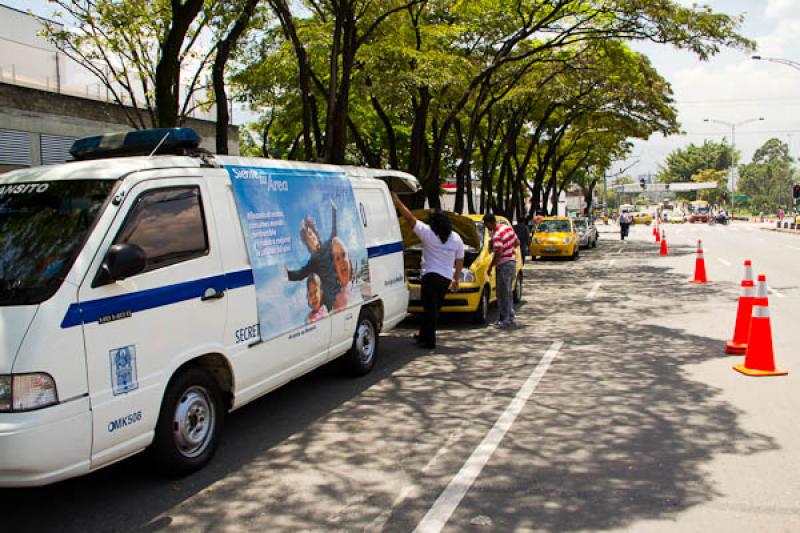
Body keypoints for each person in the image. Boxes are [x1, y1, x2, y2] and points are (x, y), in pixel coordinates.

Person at [391, 192, 464, 349]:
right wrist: (456, 279)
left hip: (430, 277)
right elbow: (460, 260)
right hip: (445, 278)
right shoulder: (456, 238)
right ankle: (423, 335)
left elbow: (410, 219)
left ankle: (429, 341)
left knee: (429, 309)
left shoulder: (428, 233)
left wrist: (397, 202)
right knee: (434, 309)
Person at [288, 201, 339, 311]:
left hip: (339, 290)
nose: (311, 238)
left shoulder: (327, 246)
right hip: (329, 301)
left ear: (316, 234)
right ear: (307, 243)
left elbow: (334, 233)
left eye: (311, 234)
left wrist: (334, 211)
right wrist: (287, 274)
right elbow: (300, 274)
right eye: (308, 238)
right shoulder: (313, 262)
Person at [484, 213, 520, 328]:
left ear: (490, 223)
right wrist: (509, 250)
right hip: (512, 262)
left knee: (502, 293)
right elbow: (517, 243)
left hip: (503, 265)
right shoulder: (507, 228)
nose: (487, 228)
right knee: (508, 292)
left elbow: (498, 253)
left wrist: (490, 267)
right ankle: (508, 315)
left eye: (486, 225)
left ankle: (506, 319)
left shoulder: (497, 235)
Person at [331, 236, 360, 311]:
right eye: (337, 258)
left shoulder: (357, 284)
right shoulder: (335, 296)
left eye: (344, 255)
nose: (342, 261)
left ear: (350, 262)